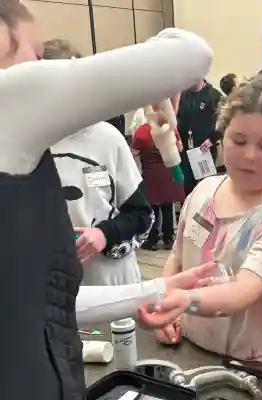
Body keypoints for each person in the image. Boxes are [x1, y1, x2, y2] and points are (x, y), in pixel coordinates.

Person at [0, 1, 212, 398]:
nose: (41, 65)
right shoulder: (7, 101)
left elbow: (39, 303)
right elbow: (192, 53)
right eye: (36, 53)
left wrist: (154, 290)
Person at [140, 73, 262, 371]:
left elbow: (242, 292)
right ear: (223, 134)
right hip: (190, 355)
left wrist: (179, 301)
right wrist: (169, 312)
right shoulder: (204, 190)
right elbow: (178, 258)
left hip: (258, 368)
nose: (249, 156)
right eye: (238, 140)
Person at [45, 38, 152, 285]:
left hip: (111, 285)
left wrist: (104, 233)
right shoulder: (26, 143)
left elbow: (141, 216)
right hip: (51, 291)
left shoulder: (107, 139)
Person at [131, 99, 185, 251]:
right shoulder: (171, 129)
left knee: (152, 208)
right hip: (168, 173)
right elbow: (179, 148)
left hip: (151, 174)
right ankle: (168, 239)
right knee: (168, 206)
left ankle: (152, 239)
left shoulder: (142, 132)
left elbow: (133, 153)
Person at [177, 78, 222, 196]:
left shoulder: (214, 96)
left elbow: (226, 122)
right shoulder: (183, 96)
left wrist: (213, 139)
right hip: (186, 151)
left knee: (206, 189)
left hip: (205, 151)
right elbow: (177, 119)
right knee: (188, 190)